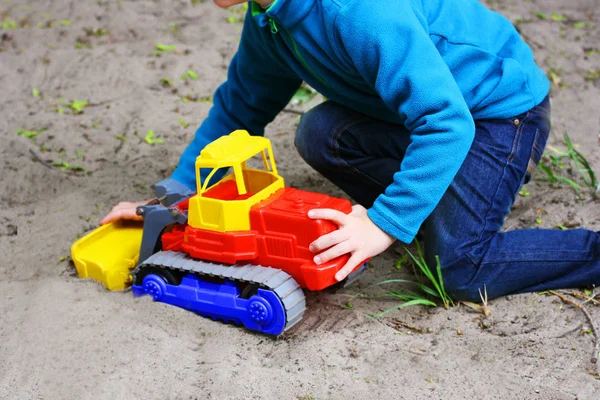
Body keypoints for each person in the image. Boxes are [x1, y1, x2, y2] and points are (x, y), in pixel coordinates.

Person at [101, 0, 599, 302]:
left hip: (498, 116)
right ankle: (433, 206)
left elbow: (447, 121)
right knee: (320, 132)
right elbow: (238, 110)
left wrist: (383, 224)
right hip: (426, 115)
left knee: (458, 269)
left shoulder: (358, 11)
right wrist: (170, 200)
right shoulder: (269, 19)